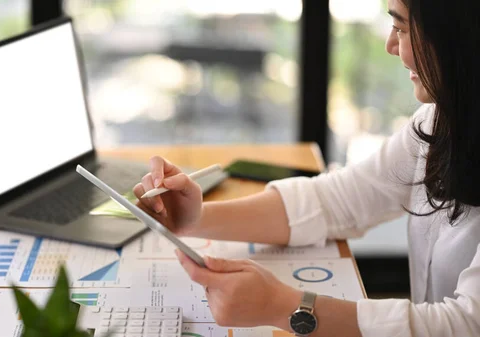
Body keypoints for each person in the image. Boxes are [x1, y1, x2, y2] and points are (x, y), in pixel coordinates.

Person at [132, 0, 480, 336]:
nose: (390, 45)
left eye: (401, 28)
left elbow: (467, 325)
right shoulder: (441, 121)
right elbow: (337, 201)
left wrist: (284, 306)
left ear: (455, 35)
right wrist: (195, 218)